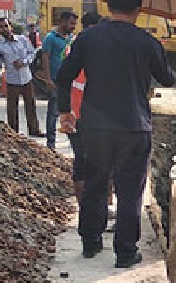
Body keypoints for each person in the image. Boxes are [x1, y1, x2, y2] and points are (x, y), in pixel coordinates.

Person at [57, 0, 176, 267]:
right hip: (134, 126)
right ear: (139, 9)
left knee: (95, 183)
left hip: (96, 126)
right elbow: (168, 79)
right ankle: (124, 252)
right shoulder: (146, 41)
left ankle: (90, 241)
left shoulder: (88, 38)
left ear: (109, 6)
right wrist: (159, 55)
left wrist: (65, 111)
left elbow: (63, 76)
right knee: (130, 190)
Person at [65, 11, 101, 201]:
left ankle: (84, 205)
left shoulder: (73, 45)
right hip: (89, 113)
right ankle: (96, 205)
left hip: (72, 111)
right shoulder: (94, 46)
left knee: (80, 158)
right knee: (96, 161)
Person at [0, 17, 43, 138]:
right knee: (12, 107)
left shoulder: (23, 40)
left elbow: (32, 53)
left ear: (11, 27)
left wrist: (24, 62)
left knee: (30, 104)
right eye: (1, 27)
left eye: (5, 26)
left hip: (26, 77)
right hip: (12, 79)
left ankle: (34, 129)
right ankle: (13, 132)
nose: (4, 29)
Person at [40, 10, 78, 150]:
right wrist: (48, 79)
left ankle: (71, 140)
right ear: (62, 21)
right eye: (71, 23)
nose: (73, 26)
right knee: (54, 112)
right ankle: (51, 143)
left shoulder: (72, 39)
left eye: (75, 24)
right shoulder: (51, 38)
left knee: (69, 112)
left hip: (70, 81)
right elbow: (46, 58)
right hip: (56, 80)